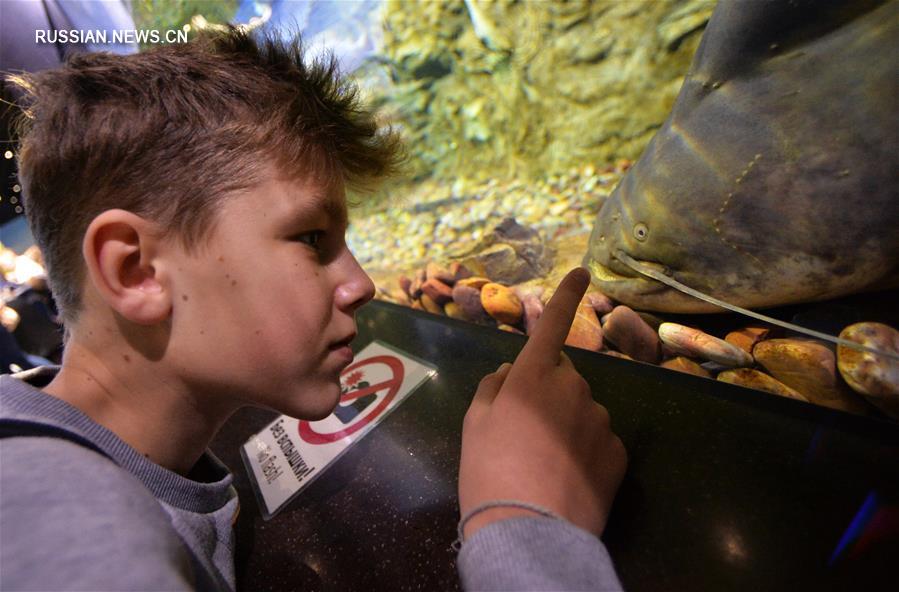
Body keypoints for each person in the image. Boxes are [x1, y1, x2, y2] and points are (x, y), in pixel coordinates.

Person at [0, 29, 627, 591]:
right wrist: (522, 528)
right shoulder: (64, 527)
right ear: (135, 271)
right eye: (311, 238)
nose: (361, 284)